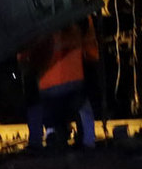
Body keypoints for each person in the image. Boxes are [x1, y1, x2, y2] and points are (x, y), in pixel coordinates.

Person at [26, 19, 99, 149]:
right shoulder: (79, 20)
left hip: (47, 86)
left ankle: (46, 136)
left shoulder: (36, 22)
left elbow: (27, 56)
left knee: (40, 108)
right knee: (84, 108)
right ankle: (88, 141)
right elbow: (90, 49)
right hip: (73, 82)